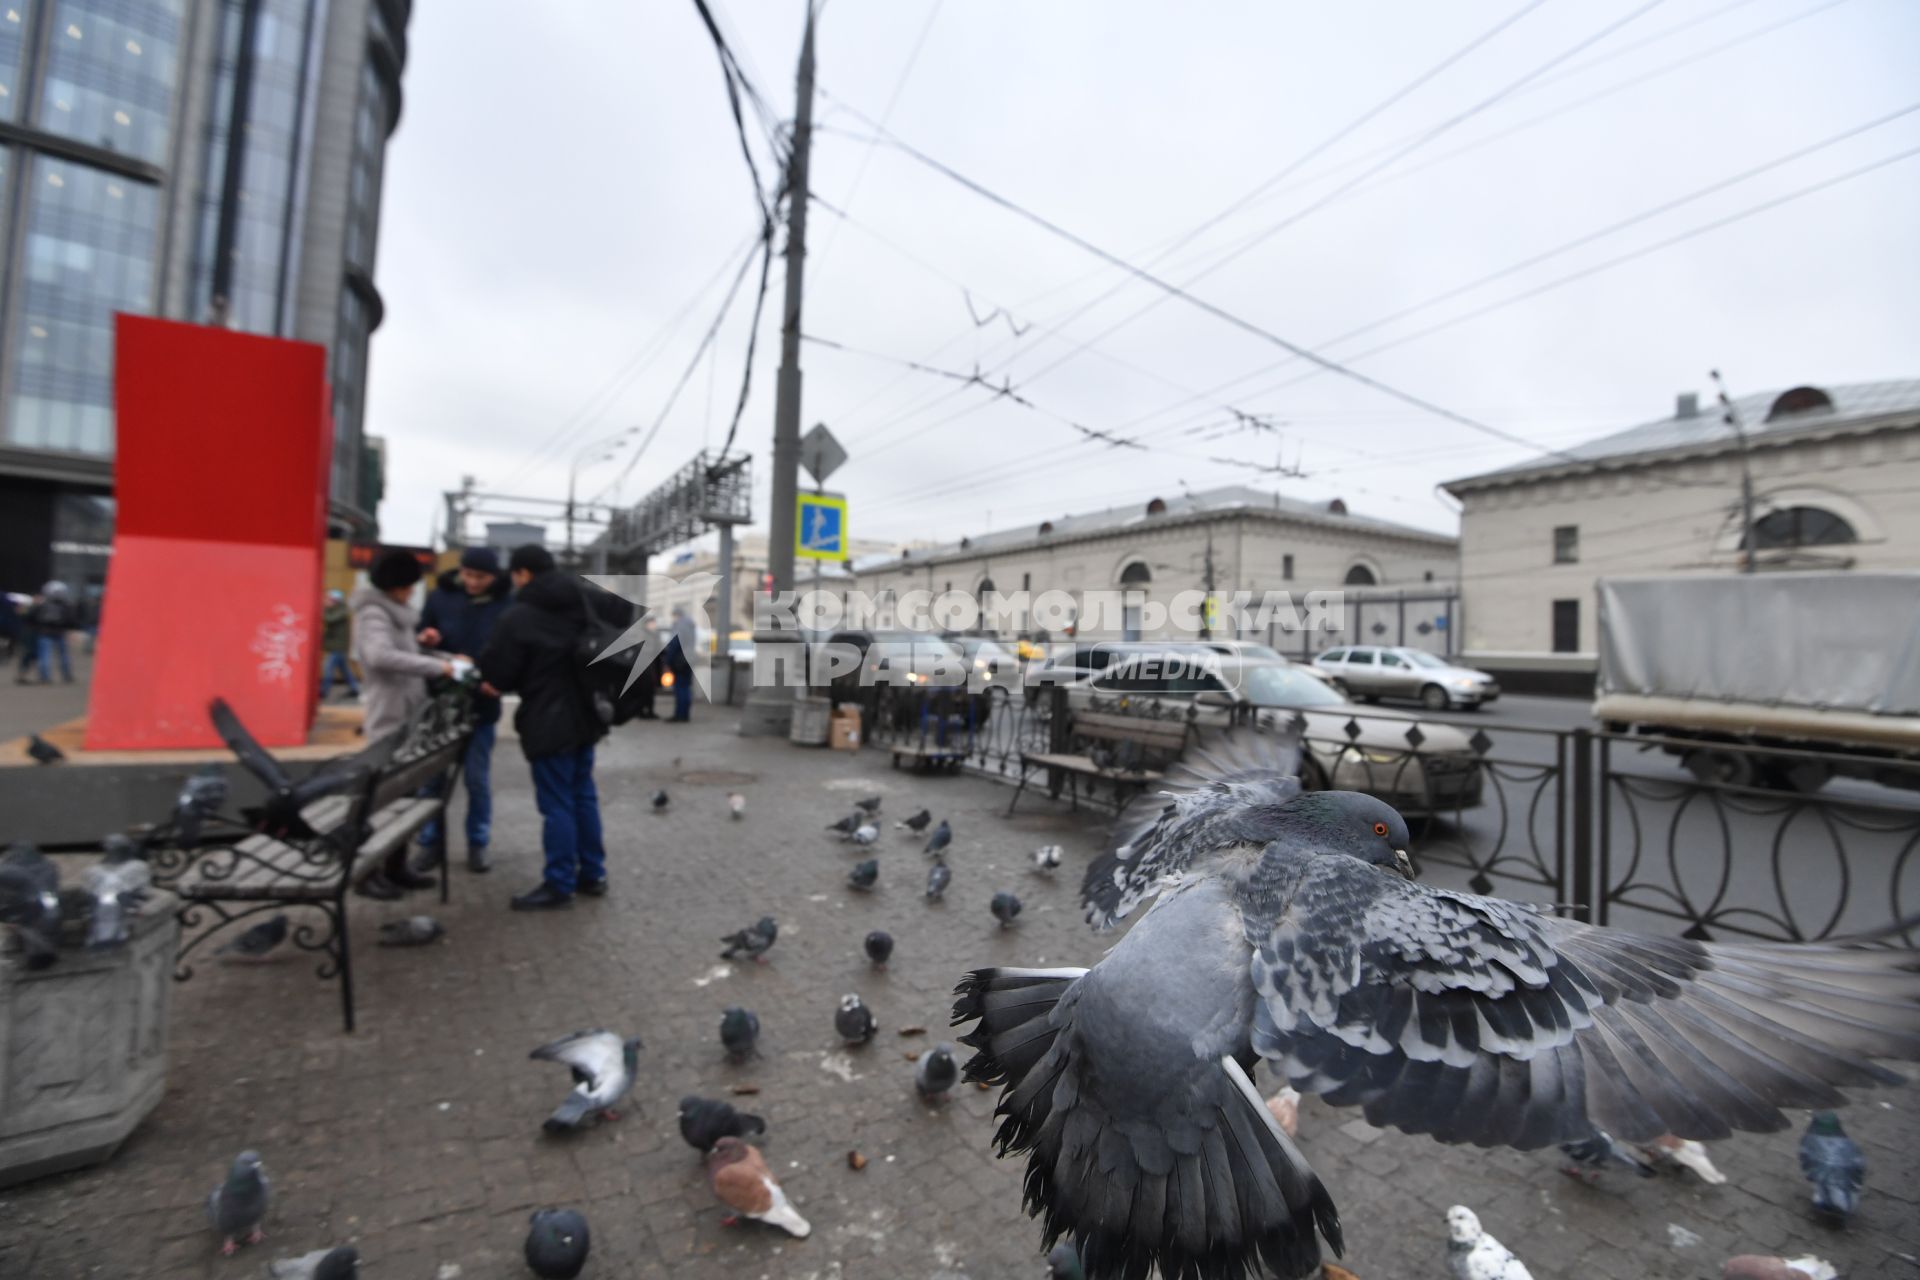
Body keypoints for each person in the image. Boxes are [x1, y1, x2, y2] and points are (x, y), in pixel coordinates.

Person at [479, 545, 614, 911]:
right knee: (582, 795)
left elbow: (498, 674)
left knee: (557, 804)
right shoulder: (583, 603)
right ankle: (593, 873)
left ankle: (559, 883)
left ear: (523, 574)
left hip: (549, 720)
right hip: (586, 716)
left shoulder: (520, 616)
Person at [350, 549, 455, 900]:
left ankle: (396, 866)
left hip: (408, 714)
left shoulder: (395, 615)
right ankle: (367, 872)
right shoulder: (374, 613)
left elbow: (404, 654)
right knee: (381, 797)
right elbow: (380, 656)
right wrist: (438, 668)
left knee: (402, 794)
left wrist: (434, 652)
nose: (412, 591)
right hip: (389, 716)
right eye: (409, 585)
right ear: (395, 586)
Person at [412, 547, 510, 873]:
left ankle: (478, 844)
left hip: (481, 705)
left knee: (476, 781)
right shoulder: (440, 596)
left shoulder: (507, 604)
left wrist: (480, 668)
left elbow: (510, 651)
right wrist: (426, 638)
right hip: (440, 703)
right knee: (431, 780)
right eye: (467, 574)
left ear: (493, 577)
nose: (472, 581)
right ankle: (429, 843)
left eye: (480, 577)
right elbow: (420, 635)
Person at [28, 581, 75, 684]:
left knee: (45, 655)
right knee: (63, 655)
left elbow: (32, 616)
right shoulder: (65, 605)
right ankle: (67, 675)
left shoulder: (43, 604)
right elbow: (70, 620)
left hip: (44, 632)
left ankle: (45, 676)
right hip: (60, 632)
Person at [318, 589, 359, 700]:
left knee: (328, 668)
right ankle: (355, 688)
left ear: (336, 601)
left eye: (330, 599)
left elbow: (329, 619)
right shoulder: (337, 609)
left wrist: (324, 608)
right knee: (344, 669)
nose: (327, 601)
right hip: (336, 646)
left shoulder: (342, 610)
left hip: (338, 646)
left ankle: (324, 691)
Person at [667, 604, 698, 722]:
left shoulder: (680, 625)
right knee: (686, 687)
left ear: (676, 615)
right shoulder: (691, 625)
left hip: (680, 660)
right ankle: (685, 715)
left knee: (680, 688)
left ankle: (679, 715)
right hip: (689, 659)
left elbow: (674, 644)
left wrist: (668, 660)